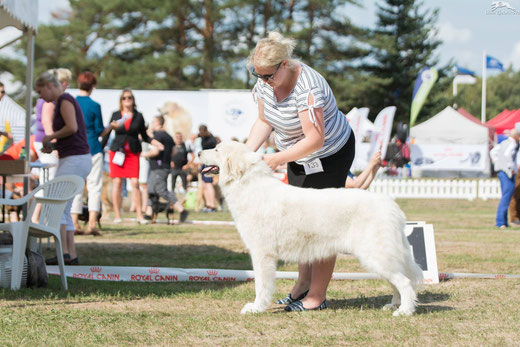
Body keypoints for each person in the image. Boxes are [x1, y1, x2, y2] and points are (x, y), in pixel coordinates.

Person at [245, 31, 355, 311]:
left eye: (268, 76)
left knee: (323, 226)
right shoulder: (264, 84)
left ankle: (317, 297)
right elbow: (263, 120)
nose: (264, 82)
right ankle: (301, 287)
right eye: (258, 76)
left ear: (285, 65)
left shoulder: (309, 87)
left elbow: (315, 139)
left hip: (330, 154)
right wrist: (247, 154)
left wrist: (276, 158)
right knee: (302, 224)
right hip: (297, 156)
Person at [35, 71, 92, 266]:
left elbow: (72, 128)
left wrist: (50, 137)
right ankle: (70, 253)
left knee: (55, 204)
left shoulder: (65, 100)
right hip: (76, 157)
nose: (40, 96)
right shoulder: (62, 101)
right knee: (64, 208)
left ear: (49, 85)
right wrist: (54, 145)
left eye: (40, 91)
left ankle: (63, 252)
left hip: (75, 159)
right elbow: (71, 133)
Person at [102, 89, 161, 224]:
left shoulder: (138, 116)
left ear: (133, 100)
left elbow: (144, 135)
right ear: (121, 100)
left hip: (133, 152)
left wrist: (155, 142)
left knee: (135, 183)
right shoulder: (115, 115)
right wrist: (100, 147)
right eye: (124, 98)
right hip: (117, 152)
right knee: (117, 183)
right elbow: (108, 132)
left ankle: (139, 215)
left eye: (129, 97)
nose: (127, 100)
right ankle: (117, 215)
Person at [70, 71, 108, 236]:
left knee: (76, 186)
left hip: (76, 149)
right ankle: (92, 224)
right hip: (93, 148)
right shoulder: (95, 106)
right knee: (94, 187)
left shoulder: (71, 103)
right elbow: (99, 130)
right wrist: (111, 128)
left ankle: (74, 223)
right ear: (93, 86)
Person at [32, 68, 71, 224]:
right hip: (48, 145)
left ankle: (40, 219)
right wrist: (55, 146)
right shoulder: (50, 100)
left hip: (44, 142)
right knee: (48, 183)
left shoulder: (50, 99)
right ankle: (37, 219)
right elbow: (48, 123)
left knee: (47, 183)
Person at [142, 116, 189, 223]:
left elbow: (155, 151)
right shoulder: (168, 136)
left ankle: (181, 210)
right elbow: (174, 152)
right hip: (165, 167)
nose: (151, 124)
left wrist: (143, 154)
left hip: (158, 167)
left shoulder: (158, 135)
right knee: (152, 189)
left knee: (159, 190)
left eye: (153, 122)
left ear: (158, 123)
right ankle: (149, 213)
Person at [491, 128, 520, 229]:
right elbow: (508, 155)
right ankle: (500, 222)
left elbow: (493, 152)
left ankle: (502, 221)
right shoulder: (513, 144)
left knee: (505, 197)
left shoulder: (503, 142)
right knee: (506, 197)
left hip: (501, 172)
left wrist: (497, 164)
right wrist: (509, 167)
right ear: (516, 136)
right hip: (508, 173)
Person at [199, 125, 218, 212]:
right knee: (205, 184)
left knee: (209, 184)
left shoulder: (212, 140)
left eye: (202, 133)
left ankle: (212, 205)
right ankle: (208, 205)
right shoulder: (203, 136)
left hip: (209, 163)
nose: (201, 135)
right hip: (204, 163)